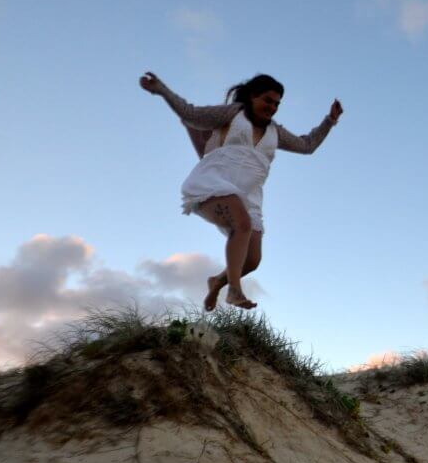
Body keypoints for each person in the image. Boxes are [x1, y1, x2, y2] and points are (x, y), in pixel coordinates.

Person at [140, 71, 343, 310]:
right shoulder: (233, 114)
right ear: (251, 96)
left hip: (250, 198)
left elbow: (307, 146)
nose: (273, 107)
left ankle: (217, 281)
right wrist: (162, 89)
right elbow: (191, 113)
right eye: (268, 100)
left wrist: (329, 120)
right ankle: (234, 291)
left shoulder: (274, 132)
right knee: (242, 224)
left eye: (277, 104)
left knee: (253, 260)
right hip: (214, 182)